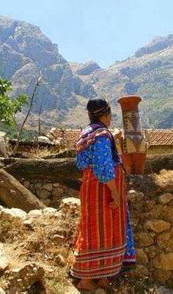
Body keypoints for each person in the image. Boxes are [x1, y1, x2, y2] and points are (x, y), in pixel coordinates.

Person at [71, 98, 136, 291]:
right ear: (106, 114)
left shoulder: (86, 133)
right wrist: (115, 193)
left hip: (90, 188)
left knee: (94, 228)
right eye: (110, 115)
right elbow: (103, 167)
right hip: (103, 189)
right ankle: (86, 279)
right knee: (102, 230)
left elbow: (82, 164)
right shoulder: (102, 135)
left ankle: (99, 276)